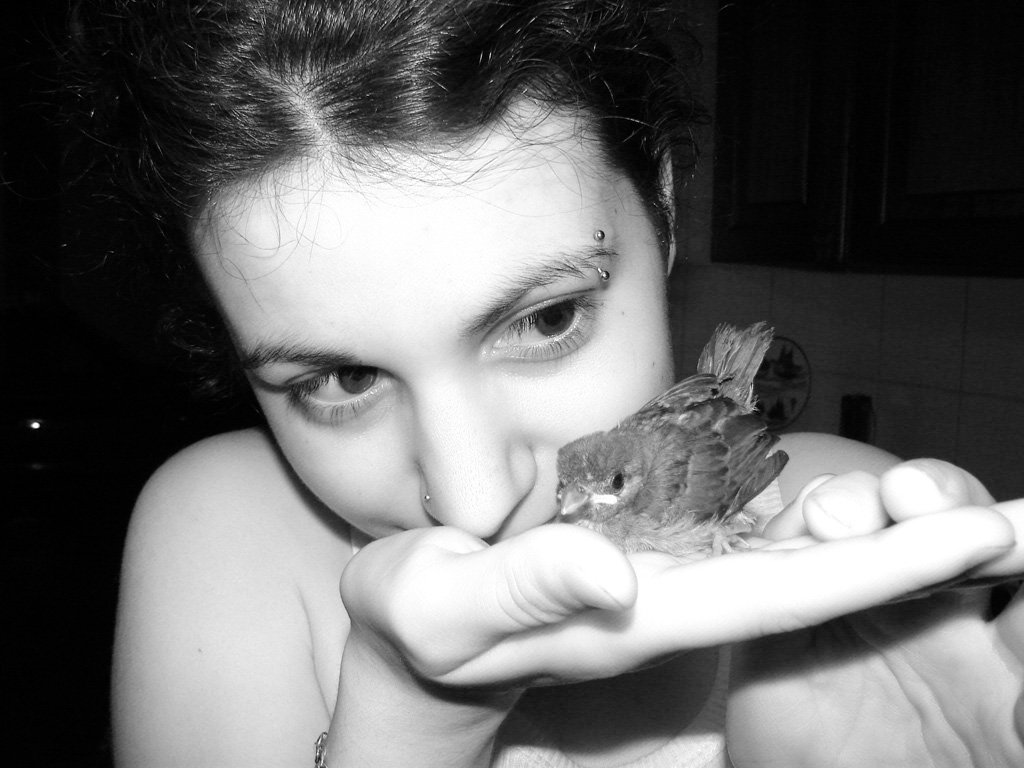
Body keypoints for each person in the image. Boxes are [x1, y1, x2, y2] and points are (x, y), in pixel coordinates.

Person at [67, 1, 1024, 766]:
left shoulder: (852, 542)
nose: (477, 502)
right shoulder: (220, 540)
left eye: (547, 319)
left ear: (664, 205)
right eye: (343, 376)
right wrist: (406, 722)